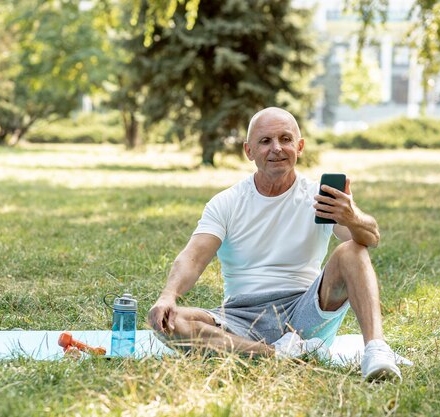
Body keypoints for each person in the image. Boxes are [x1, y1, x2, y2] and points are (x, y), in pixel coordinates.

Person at [148, 107, 403, 382]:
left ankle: (376, 350)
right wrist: (168, 295)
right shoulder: (227, 202)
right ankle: (278, 354)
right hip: (239, 317)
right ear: (249, 151)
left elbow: (371, 238)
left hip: (305, 311)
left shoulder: (320, 197)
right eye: (265, 141)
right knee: (170, 324)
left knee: (351, 249)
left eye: (285, 139)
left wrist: (352, 217)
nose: (277, 148)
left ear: (300, 146)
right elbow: (193, 258)